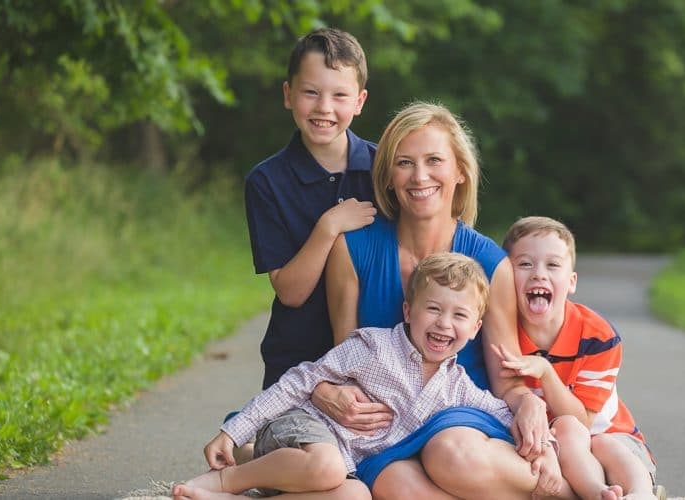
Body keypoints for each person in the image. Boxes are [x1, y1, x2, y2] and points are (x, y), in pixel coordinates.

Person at [319, 102, 566, 499]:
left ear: (460, 172)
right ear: (387, 177)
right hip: (387, 430)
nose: (420, 177)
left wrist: (529, 405)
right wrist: (323, 392)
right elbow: (341, 360)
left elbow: (506, 378)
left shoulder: (489, 263)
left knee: (448, 453)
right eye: (404, 163)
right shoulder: (352, 249)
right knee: (396, 487)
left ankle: (566, 493)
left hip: (461, 425)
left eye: (434, 160)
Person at [172, 253, 532, 500]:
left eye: (458, 316)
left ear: (475, 329)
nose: (443, 323)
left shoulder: (457, 386)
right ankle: (227, 480)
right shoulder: (373, 346)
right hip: (302, 432)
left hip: (344, 468)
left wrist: (543, 442)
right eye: (434, 309)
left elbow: (503, 413)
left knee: (356, 495)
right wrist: (234, 430)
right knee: (326, 466)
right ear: (408, 311)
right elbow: (300, 381)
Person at [243, 26, 377, 394]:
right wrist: (329, 225)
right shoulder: (266, 181)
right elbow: (291, 292)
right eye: (311, 92)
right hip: (297, 360)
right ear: (289, 94)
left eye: (339, 95)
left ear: (360, 101)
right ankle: (252, 439)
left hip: (377, 360)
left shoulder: (386, 169)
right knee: (307, 450)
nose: (324, 108)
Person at [499, 216, 664, 500]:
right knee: (546, 450)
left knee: (599, 442)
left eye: (552, 265)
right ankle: (600, 495)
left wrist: (546, 373)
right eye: (525, 264)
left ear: (571, 281)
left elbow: (580, 421)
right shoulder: (501, 333)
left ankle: (642, 493)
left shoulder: (597, 336)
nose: (539, 274)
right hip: (552, 448)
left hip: (613, 442)